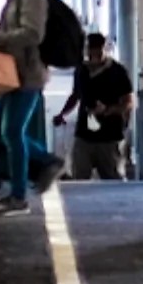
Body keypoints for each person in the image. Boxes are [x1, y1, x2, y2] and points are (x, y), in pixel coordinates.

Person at [0, 0, 65, 217]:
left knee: (11, 131)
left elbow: (32, 34)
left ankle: (19, 196)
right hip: (11, 75)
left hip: (27, 75)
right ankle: (45, 162)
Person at [53, 33, 133, 180]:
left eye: (97, 54)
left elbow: (128, 103)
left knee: (111, 177)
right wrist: (62, 113)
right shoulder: (81, 70)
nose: (93, 58)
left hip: (109, 135)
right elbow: (76, 95)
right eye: (90, 54)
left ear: (104, 50)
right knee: (79, 177)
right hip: (84, 133)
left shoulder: (118, 71)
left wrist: (108, 110)